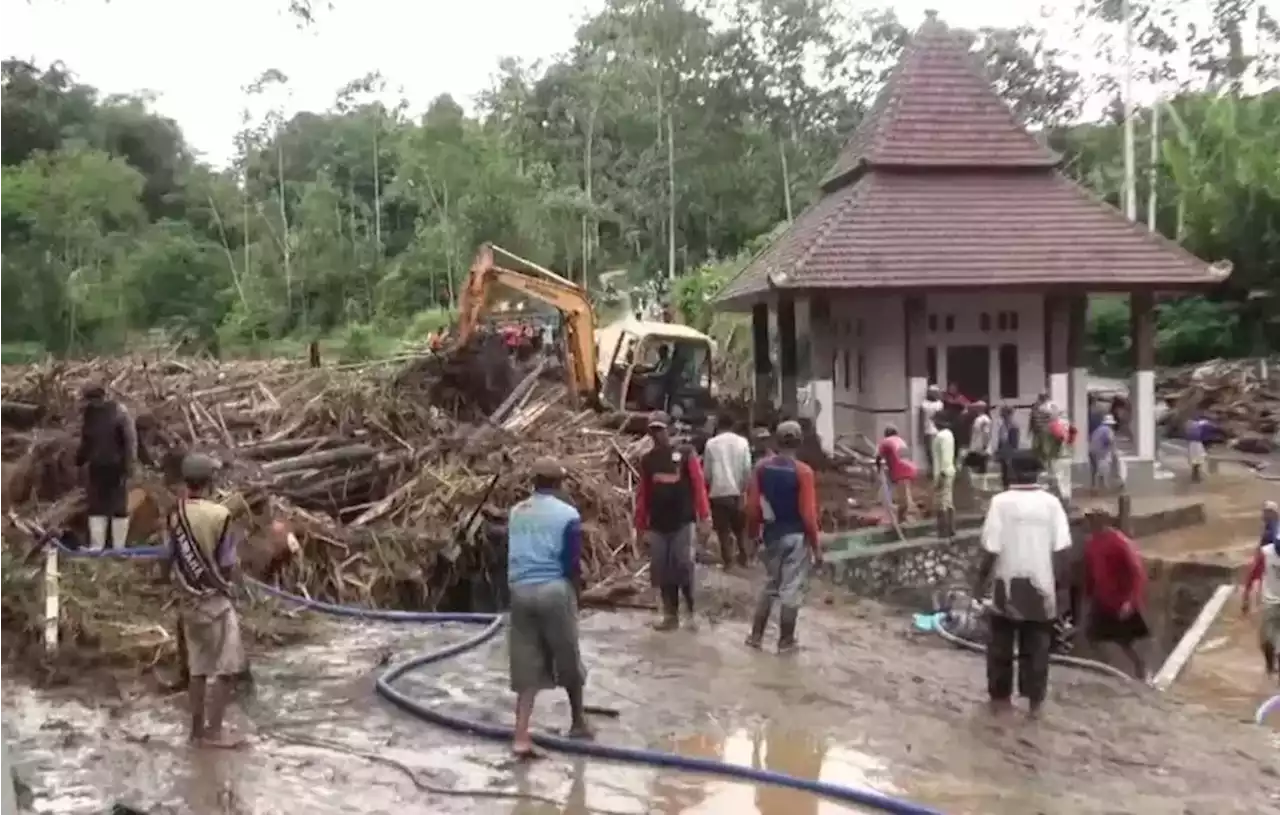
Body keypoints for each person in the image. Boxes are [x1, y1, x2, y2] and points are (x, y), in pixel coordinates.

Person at [973, 451, 1072, 718]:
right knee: (1038, 652)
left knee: (1000, 650)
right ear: (1038, 474)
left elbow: (990, 550)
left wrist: (978, 585)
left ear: (1012, 472)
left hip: (1005, 590)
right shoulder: (1052, 504)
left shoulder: (1000, 503)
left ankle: (1000, 707)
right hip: (1042, 592)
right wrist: (1062, 592)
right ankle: (1034, 708)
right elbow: (1062, 553)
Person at [506, 457, 592, 758]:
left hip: (519, 590)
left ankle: (520, 737)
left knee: (526, 664)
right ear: (558, 484)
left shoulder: (516, 512)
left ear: (533, 482)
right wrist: (576, 593)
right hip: (553, 590)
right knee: (568, 655)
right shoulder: (567, 514)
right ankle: (579, 722)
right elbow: (571, 562)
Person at [162, 454, 245, 748]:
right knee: (228, 666)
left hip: (188, 599)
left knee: (197, 668)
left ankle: (195, 731)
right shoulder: (220, 516)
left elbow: (168, 557)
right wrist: (230, 586)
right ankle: (214, 730)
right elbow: (226, 562)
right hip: (215, 601)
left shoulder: (176, 513)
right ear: (210, 482)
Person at [744, 421, 822, 653]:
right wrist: (816, 546)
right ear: (799, 442)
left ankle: (756, 637)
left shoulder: (761, 468)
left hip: (771, 536)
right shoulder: (803, 472)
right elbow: (808, 514)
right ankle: (785, 641)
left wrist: (752, 535)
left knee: (770, 585)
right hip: (796, 537)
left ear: (776, 441)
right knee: (791, 589)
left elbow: (752, 507)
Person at [635, 411, 711, 631]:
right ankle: (670, 615)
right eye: (653, 430)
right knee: (662, 569)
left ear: (670, 428)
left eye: (660, 429)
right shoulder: (648, 460)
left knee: (683, 566)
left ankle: (691, 613)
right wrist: (640, 526)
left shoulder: (686, 454)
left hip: (683, 521)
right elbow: (644, 494)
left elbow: (698, 486)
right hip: (658, 524)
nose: (657, 434)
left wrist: (705, 516)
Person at [1081, 508, 1149, 679]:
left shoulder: (1120, 542)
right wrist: (1089, 594)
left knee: (1126, 642)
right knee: (1092, 637)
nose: (1089, 523)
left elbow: (1137, 574)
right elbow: (1091, 571)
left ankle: (1142, 672)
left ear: (1103, 521)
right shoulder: (1091, 543)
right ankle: (1108, 671)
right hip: (1102, 599)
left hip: (1121, 601)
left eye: (1092, 519)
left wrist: (1130, 601)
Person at [75, 384, 137, 551]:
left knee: (111, 505)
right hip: (103, 466)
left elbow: (129, 441)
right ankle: (105, 546)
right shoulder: (95, 414)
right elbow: (87, 440)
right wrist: (80, 458)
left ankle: (111, 547)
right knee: (102, 505)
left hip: (112, 465)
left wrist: (129, 464)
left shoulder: (116, 412)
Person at [702, 414, 753, 569]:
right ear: (734, 425)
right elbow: (747, 469)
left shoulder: (711, 444)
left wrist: (711, 485)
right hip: (737, 492)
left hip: (718, 492)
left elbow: (707, 472)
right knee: (740, 528)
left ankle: (728, 561)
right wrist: (744, 489)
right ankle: (744, 556)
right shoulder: (742, 442)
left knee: (723, 530)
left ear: (718, 425)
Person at [1243, 501, 1280, 679]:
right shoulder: (1267, 552)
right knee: (1266, 640)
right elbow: (1253, 572)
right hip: (1269, 601)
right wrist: (1246, 595)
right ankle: (1269, 668)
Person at [876, 426, 917, 522]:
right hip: (911, 468)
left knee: (890, 489)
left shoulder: (885, 441)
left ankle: (894, 513)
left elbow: (878, 457)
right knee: (906, 492)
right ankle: (905, 513)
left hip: (899, 470)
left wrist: (878, 468)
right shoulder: (902, 441)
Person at [931, 415, 957, 539]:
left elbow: (943, 456)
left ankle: (943, 531)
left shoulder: (940, 436)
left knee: (941, 503)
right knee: (948, 501)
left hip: (943, 472)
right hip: (950, 470)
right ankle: (951, 529)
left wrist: (941, 474)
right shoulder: (949, 434)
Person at [1089, 414, 1121, 492]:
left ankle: (1094, 486)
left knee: (1095, 470)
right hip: (1101, 453)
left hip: (1091, 451)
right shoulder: (1108, 430)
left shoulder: (1098, 429)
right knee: (1103, 470)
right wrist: (1115, 452)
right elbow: (1111, 440)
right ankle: (1103, 488)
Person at [993, 404, 1020, 491]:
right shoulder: (1003, 425)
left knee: (1009, 470)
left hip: (1009, 451)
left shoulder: (1013, 426)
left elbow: (1014, 443)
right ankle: (1006, 486)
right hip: (1004, 450)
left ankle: (1010, 487)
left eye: (1003, 414)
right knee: (1004, 470)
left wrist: (1011, 452)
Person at [919, 385, 944, 475]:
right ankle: (934, 470)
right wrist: (921, 433)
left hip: (937, 431)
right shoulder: (924, 404)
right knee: (930, 452)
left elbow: (942, 418)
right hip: (928, 431)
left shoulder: (940, 404)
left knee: (936, 452)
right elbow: (921, 420)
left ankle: (937, 471)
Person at [965, 401, 992, 475]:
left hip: (980, 448)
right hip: (976, 447)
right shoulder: (978, 419)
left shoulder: (984, 419)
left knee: (981, 469)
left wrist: (985, 445)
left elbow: (986, 433)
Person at [1185, 412, 1213, 483]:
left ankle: (1195, 475)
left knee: (1196, 459)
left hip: (1192, 443)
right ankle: (1195, 476)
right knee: (1198, 459)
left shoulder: (1190, 423)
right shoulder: (1201, 423)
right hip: (1197, 443)